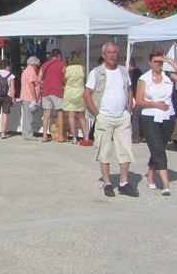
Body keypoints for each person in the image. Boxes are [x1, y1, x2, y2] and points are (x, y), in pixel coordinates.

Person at [83, 42, 137, 198]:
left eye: (114, 52)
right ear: (103, 55)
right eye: (109, 52)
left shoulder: (123, 71)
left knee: (125, 150)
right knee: (104, 151)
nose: (112, 55)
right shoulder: (96, 72)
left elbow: (129, 90)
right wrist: (97, 114)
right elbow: (86, 95)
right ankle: (107, 183)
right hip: (104, 116)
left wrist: (129, 110)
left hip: (122, 117)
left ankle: (124, 183)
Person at [135, 51, 177, 196]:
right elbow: (139, 100)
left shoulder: (167, 76)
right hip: (150, 117)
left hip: (168, 116)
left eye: (160, 62)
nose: (158, 64)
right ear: (150, 63)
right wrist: (155, 104)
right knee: (158, 148)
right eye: (155, 61)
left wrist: (169, 61)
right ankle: (166, 184)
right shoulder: (144, 79)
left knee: (159, 147)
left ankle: (151, 174)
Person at [62, 51, 90, 145]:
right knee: (81, 116)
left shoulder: (66, 69)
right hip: (80, 92)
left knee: (71, 116)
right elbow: (85, 80)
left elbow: (64, 81)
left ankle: (74, 138)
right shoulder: (83, 68)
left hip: (69, 92)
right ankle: (86, 137)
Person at [38, 49, 65, 143]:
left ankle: (44, 135)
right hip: (57, 91)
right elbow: (65, 79)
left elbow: (39, 79)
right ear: (59, 56)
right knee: (60, 113)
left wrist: (46, 83)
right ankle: (60, 136)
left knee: (47, 115)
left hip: (46, 92)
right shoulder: (62, 65)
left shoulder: (44, 65)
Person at [18, 56, 40, 140]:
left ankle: (26, 133)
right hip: (29, 97)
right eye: (36, 65)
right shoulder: (31, 71)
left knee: (26, 116)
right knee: (28, 117)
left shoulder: (26, 70)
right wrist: (34, 98)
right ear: (34, 64)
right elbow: (31, 85)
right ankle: (28, 134)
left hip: (25, 96)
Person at [128, 58, 145, 143]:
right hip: (142, 97)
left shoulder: (132, 73)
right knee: (140, 117)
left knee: (135, 117)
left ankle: (135, 136)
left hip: (136, 97)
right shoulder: (140, 73)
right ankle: (142, 136)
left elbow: (131, 87)